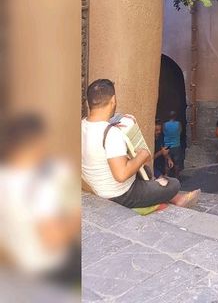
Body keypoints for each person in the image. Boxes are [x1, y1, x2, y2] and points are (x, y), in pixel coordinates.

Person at [81, 79, 199, 209]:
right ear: (113, 100)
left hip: (98, 186)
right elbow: (121, 175)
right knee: (174, 184)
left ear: (89, 102)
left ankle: (174, 198)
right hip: (120, 194)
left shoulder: (81, 125)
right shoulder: (111, 133)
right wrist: (142, 155)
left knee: (146, 171)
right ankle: (173, 197)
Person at [0, 113, 80, 285]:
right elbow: (53, 239)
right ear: (38, 143)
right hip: (48, 269)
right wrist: (75, 217)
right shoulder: (41, 184)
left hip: (18, 263)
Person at [162, 112, 184, 179]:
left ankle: (166, 176)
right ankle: (176, 177)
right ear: (175, 117)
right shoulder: (178, 124)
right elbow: (180, 131)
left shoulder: (164, 124)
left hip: (167, 146)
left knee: (167, 162)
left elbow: (163, 132)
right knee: (177, 162)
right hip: (176, 145)